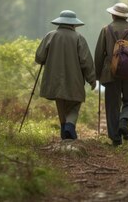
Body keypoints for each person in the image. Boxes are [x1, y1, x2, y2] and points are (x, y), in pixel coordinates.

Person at [35, 10, 96, 140]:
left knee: (60, 102)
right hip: (75, 79)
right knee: (75, 103)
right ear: (74, 25)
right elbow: (86, 61)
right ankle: (69, 126)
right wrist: (92, 79)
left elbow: (39, 57)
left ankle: (64, 131)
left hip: (54, 78)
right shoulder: (79, 38)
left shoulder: (50, 36)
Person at [95, 3, 128, 146]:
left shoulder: (106, 30)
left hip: (110, 73)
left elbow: (99, 54)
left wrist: (98, 74)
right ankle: (124, 121)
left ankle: (116, 139)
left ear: (113, 15)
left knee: (112, 104)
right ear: (126, 17)